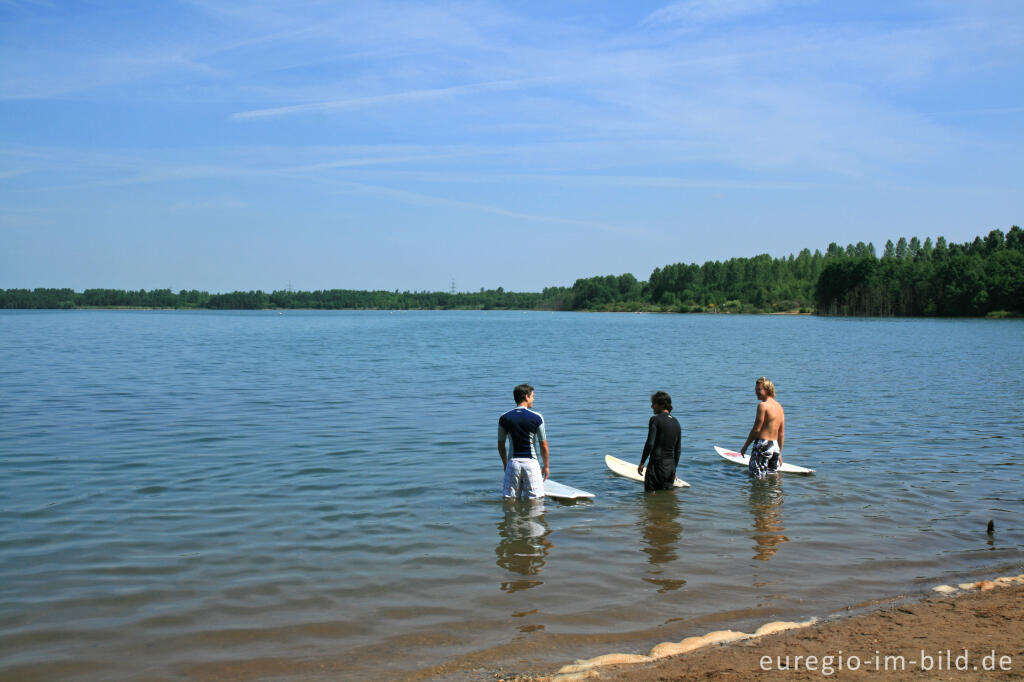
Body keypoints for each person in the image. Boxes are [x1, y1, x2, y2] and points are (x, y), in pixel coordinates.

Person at [498, 384, 549, 499]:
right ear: (526, 397)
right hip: (531, 463)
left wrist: (505, 463)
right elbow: (543, 445)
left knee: (509, 500)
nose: (533, 399)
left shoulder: (504, 417)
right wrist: (546, 466)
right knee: (535, 501)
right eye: (533, 396)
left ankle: (512, 516)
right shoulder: (537, 417)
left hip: (513, 463)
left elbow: (501, 445)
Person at [740, 376, 786, 479]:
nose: (756, 392)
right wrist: (779, 453)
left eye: (759, 389)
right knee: (772, 480)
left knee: (757, 479)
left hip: (763, 446)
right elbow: (781, 433)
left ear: (767, 390)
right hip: (775, 447)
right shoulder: (779, 407)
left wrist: (745, 446)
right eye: (755, 389)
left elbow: (757, 429)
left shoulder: (763, 405)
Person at [637, 391, 681, 492]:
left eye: (654, 403)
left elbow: (650, 443)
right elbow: (678, 450)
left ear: (662, 405)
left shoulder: (655, 420)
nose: (652, 406)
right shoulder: (676, 422)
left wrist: (642, 462)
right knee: (669, 498)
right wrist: (674, 469)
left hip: (656, 466)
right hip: (670, 467)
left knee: (650, 498)